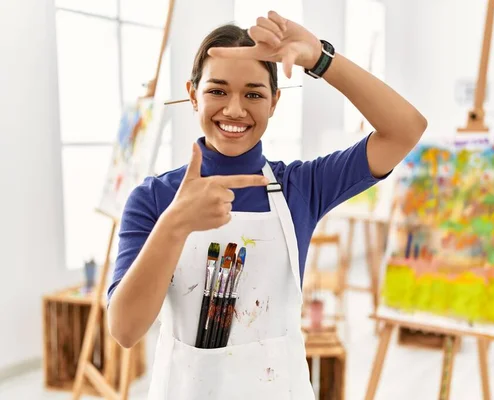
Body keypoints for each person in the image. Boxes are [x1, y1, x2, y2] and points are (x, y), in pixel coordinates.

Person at [107, 10, 427, 400]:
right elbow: (124, 330)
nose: (235, 110)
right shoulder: (155, 197)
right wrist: (173, 225)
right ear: (193, 94)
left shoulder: (303, 187)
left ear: (275, 101)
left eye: (254, 94)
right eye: (217, 90)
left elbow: (406, 129)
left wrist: (321, 60)